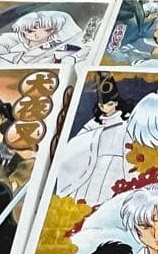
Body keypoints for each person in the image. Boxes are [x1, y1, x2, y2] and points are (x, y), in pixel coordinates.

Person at [54, 73, 133, 207]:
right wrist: (95, 135)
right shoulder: (94, 124)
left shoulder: (128, 122)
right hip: (94, 163)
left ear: (116, 103)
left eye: (109, 104)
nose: (106, 108)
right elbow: (76, 143)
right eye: (102, 105)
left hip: (119, 163)